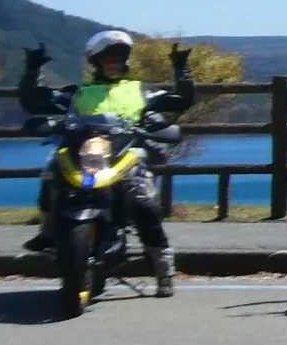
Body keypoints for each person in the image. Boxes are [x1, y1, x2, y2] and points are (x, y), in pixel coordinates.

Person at [17, 30, 195, 295]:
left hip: (127, 154)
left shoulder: (141, 90)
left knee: (143, 203)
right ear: (96, 63)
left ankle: (163, 268)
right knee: (51, 174)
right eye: (107, 60)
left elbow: (181, 101)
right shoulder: (77, 92)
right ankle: (48, 231)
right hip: (83, 153)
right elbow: (34, 101)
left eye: (117, 60)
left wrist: (182, 70)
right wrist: (32, 69)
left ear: (125, 62)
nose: (112, 64)